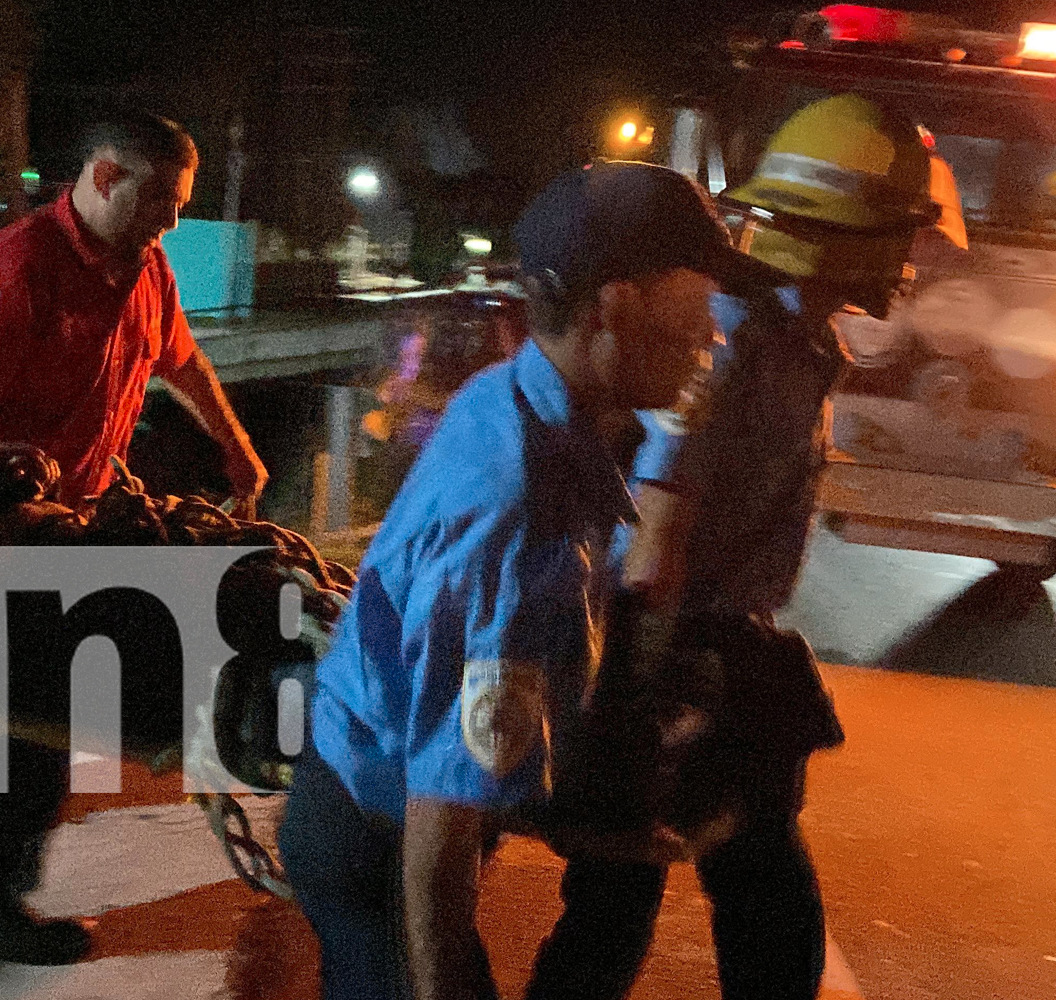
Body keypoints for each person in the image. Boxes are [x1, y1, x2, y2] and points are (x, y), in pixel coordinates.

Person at [278, 160, 779, 1000]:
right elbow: (440, 807)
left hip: (394, 815)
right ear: (618, 305)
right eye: (697, 307)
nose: (712, 337)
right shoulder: (515, 501)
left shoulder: (523, 403)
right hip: (384, 845)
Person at [529, 93, 968, 1000]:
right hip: (662, 647)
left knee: (752, 897)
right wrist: (638, 699)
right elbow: (659, 526)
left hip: (720, 644)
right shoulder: (725, 343)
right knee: (624, 900)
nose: (909, 259)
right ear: (847, 238)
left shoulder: (804, 341)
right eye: (898, 235)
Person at [0, 110, 268, 515]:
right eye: (159, 199)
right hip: (0, 522)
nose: (172, 221)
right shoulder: (15, 271)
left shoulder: (150, 266)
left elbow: (182, 363)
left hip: (85, 516)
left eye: (179, 204)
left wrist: (238, 450)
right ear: (105, 178)